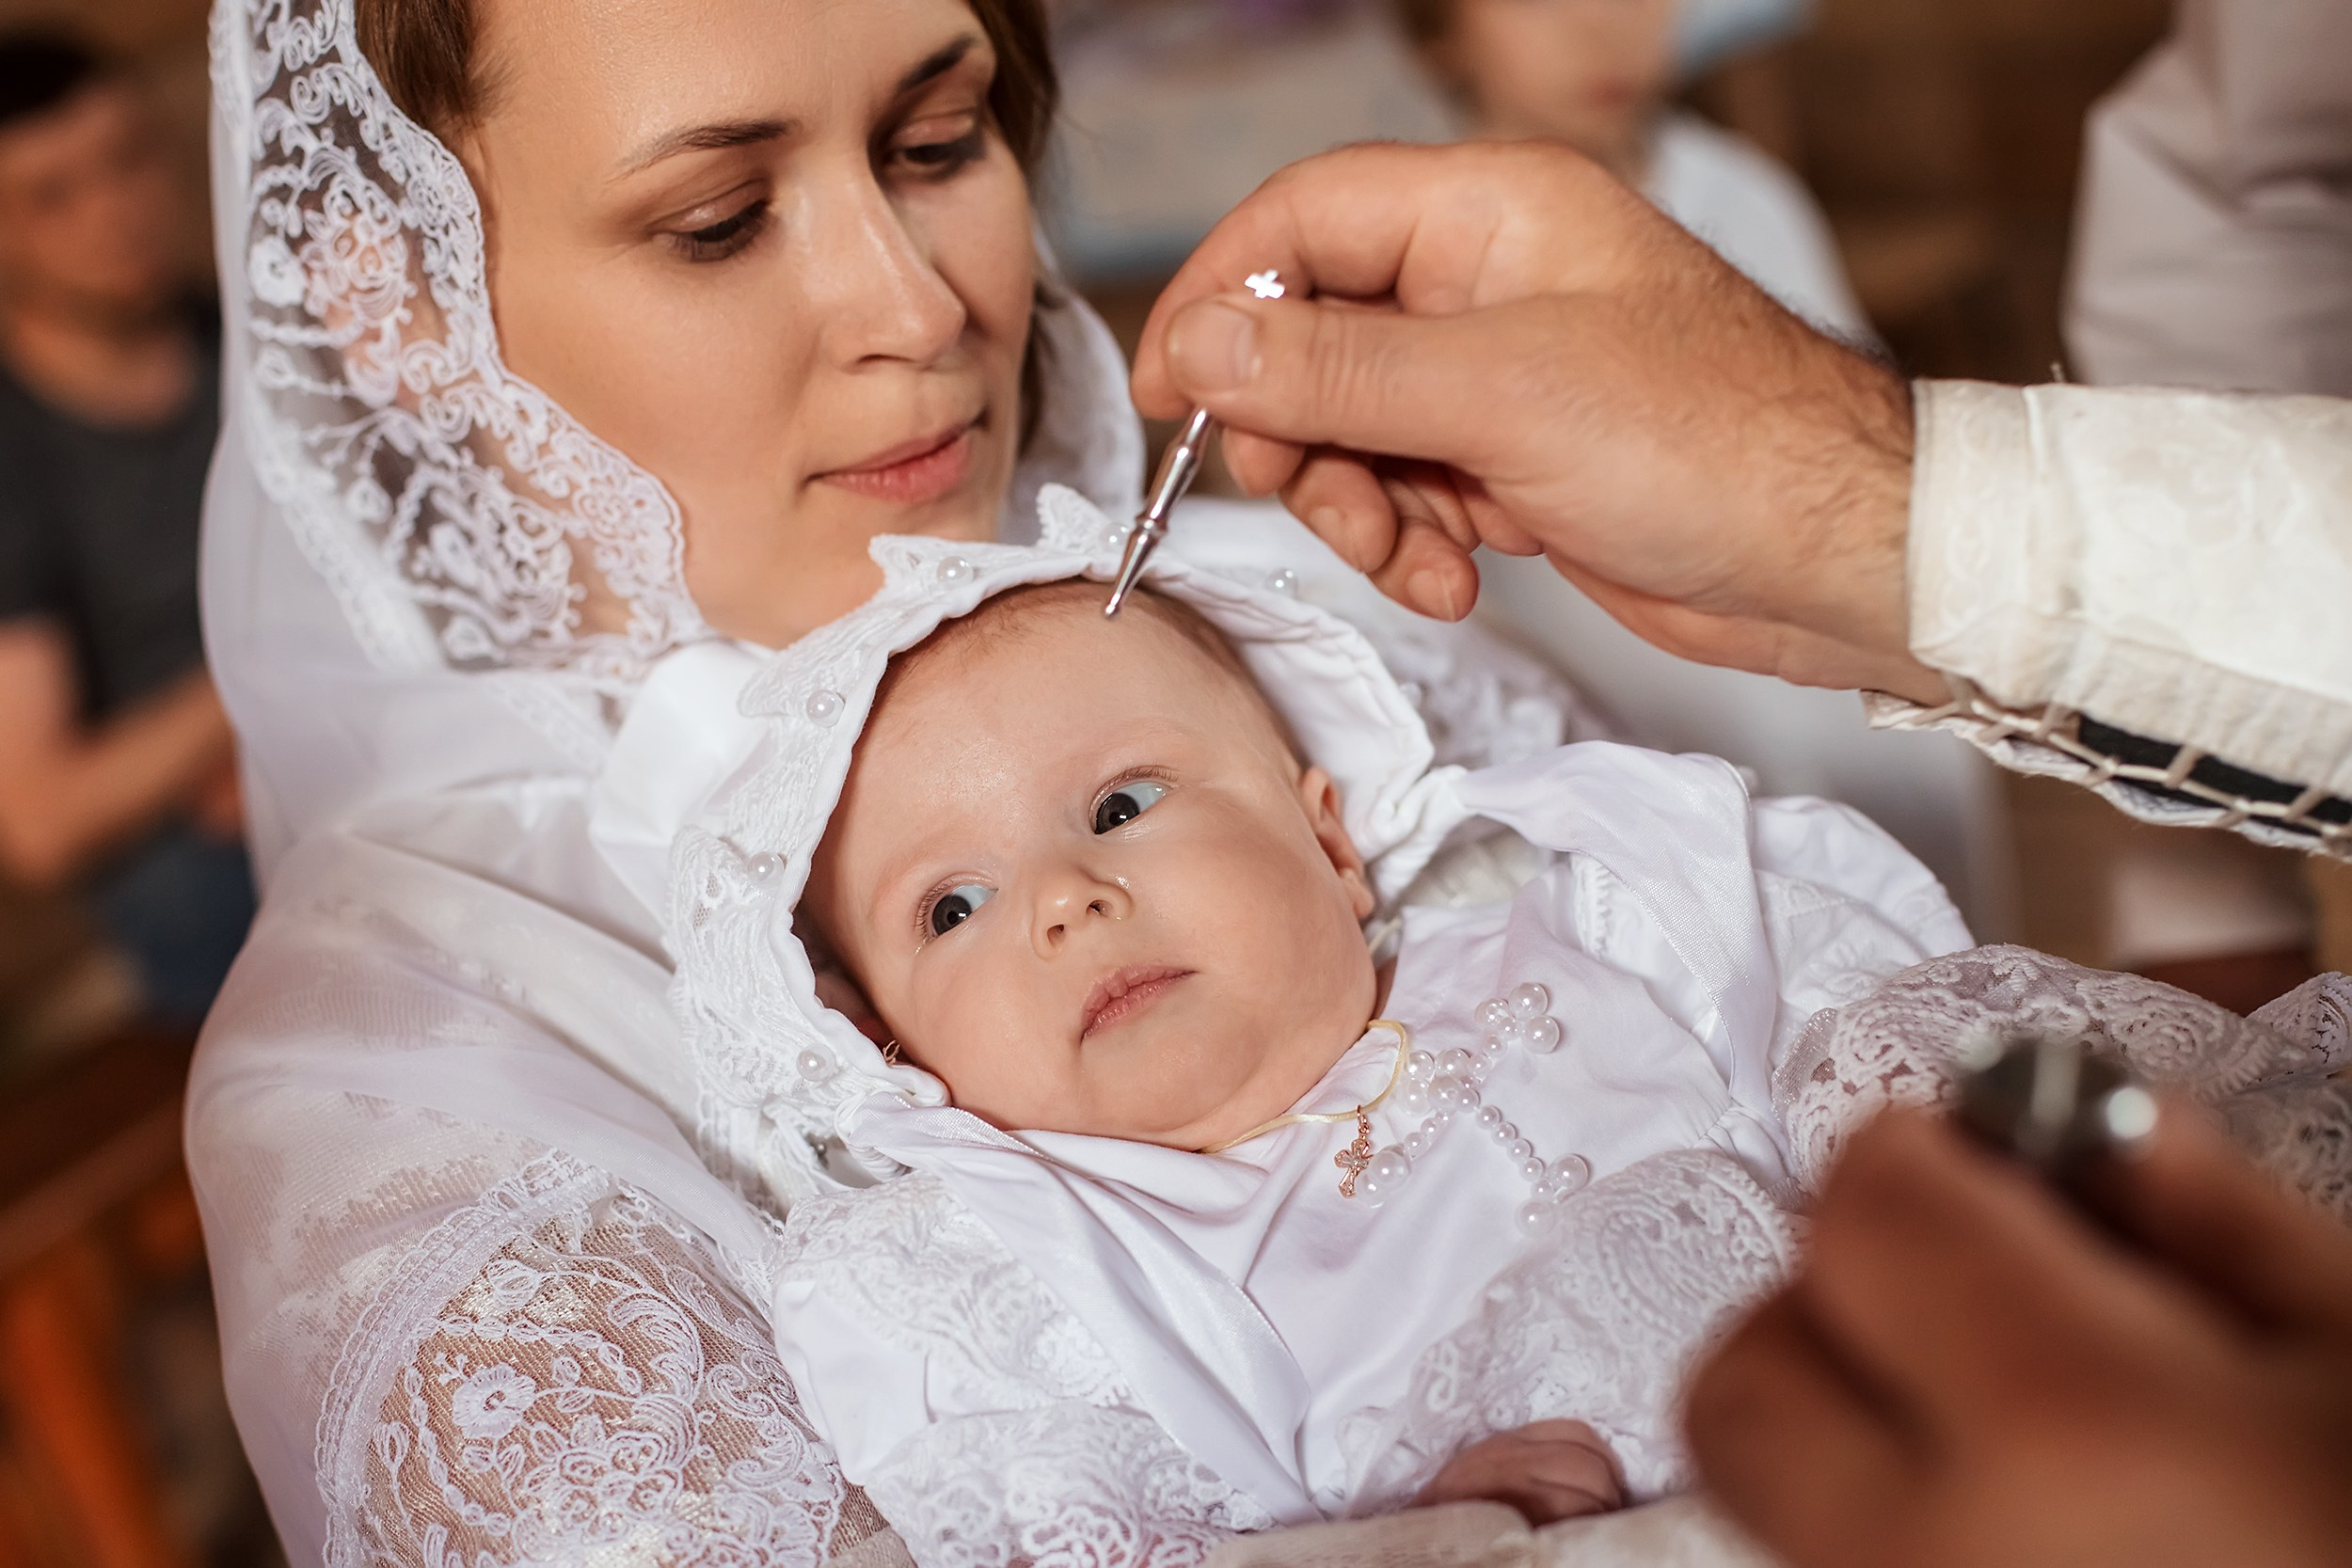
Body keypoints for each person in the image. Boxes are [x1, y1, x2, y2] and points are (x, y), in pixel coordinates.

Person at [183, 1, 1589, 1564]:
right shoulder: (397, 1066)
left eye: (937, 146)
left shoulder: (1313, 626)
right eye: (716, 225)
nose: (917, 310)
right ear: (394, 307)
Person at [1126, 108, 2351, 1568]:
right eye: (946, 906)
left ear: (1326, 827)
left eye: (938, 143)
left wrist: (1864, 505)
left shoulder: (1589, 903)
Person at [753, 555, 1962, 1559]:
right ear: (889, 1050)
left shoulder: (1613, 934)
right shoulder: (1053, 1283)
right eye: (951, 906)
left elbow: (1903, 1078)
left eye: (1121, 806)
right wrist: (1410, 1532)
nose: (1063, 901)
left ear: (1326, 838)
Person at [0, 32, 250, 1024]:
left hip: (342, 753)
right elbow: (43, 817)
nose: (112, 211)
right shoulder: (17, 458)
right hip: (202, 857)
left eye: (126, 160)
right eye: (52, 194)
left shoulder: (245, 339)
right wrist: (263, 700)